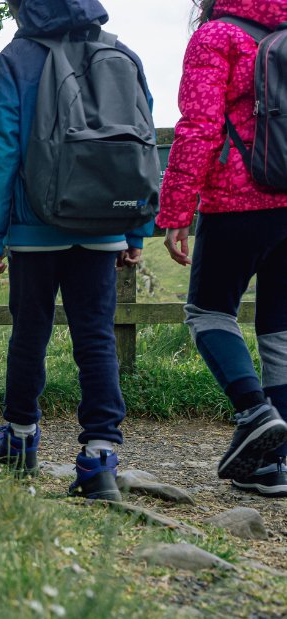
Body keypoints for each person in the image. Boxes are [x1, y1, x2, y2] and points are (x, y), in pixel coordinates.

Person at [0, 0, 154, 500]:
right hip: (104, 223)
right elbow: (143, 143)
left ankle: (20, 440)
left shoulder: (17, 58)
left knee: (30, 330)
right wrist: (136, 227)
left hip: (35, 225)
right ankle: (100, 459)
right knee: (96, 337)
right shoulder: (123, 54)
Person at [159, 0, 287, 496]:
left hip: (236, 200)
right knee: (279, 329)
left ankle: (254, 411)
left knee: (208, 312)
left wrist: (175, 210)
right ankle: (270, 466)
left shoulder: (217, 36)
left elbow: (199, 127)